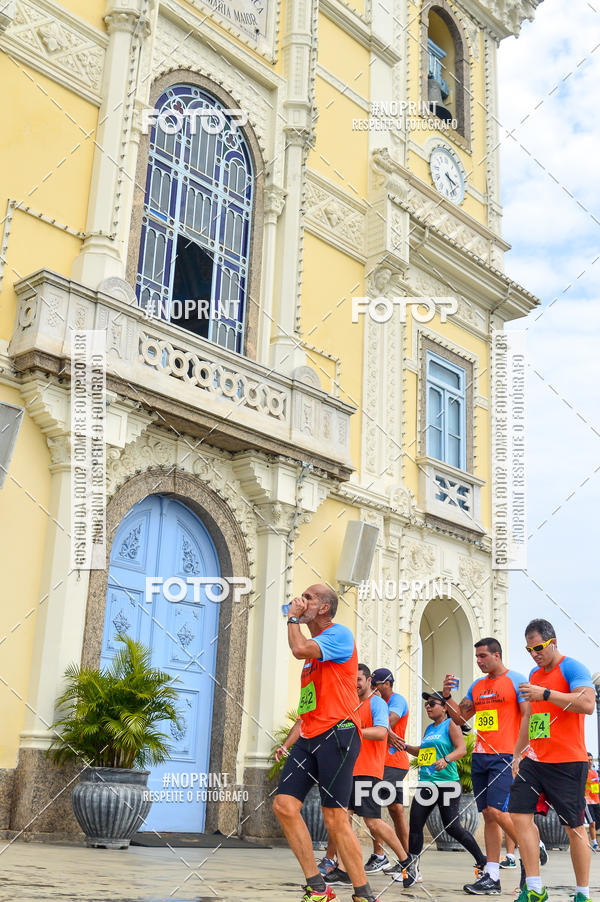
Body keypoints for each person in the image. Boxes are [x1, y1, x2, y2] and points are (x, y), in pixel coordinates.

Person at [273, 585, 379, 902]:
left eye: (308, 597)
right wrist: (291, 742)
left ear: (322, 608)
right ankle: (318, 887)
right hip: (309, 737)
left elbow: (299, 648)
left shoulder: (339, 635)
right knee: (284, 805)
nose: (300, 600)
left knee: (334, 817)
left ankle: (363, 893)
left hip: (339, 733)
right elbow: (307, 707)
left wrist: (292, 618)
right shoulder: (311, 659)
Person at [443, 637, 545, 895]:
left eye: (483, 656)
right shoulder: (477, 686)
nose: (478, 661)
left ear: (497, 655)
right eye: (476, 657)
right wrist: (446, 697)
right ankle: (491, 876)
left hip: (505, 755)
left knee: (497, 811)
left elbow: (529, 716)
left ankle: (530, 852)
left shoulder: (516, 679)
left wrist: (521, 753)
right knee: (488, 815)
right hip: (480, 755)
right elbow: (459, 719)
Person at [508, 618, 596, 902]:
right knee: (518, 815)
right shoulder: (534, 674)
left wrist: (546, 693)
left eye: (539, 648)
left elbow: (587, 704)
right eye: (529, 649)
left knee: (574, 828)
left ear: (553, 642)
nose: (534, 654)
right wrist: (518, 752)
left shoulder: (572, 667)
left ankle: (582, 893)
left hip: (569, 762)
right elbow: (532, 718)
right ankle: (534, 888)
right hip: (536, 760)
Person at [323, 664, 411, 887]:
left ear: (369, 680)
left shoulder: (378, 703)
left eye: (359, 679)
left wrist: (356, 732)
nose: (355, 683)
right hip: (349, 771)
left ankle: (406, 862)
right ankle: (343, 870)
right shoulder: (351, 704)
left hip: (368, 771)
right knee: (342, 819)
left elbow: (382, 732)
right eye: (352, 679)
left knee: (372, 822)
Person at [400, 691, 486, 887]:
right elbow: (423, 752)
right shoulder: (429, 729)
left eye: (432, 703)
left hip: (447, 784)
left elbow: (461, 749)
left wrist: (446, 759)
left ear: (445, 707)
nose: (428, 707)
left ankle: (482, 860)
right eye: (426, 705)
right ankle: (413, 868)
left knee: (452, 827)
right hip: (427, 784)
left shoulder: (451, 725)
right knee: (415, 824)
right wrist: (404, 746)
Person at [367, 667, 410, 871]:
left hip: (392, 762)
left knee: (372, 807)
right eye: (372, 684)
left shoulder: (396, 700)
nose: (374, 688)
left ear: (387, 684)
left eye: (376, 685)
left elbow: (386, 722)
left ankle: (380, 855)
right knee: (396, 810)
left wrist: (386, 729)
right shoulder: (375, 702)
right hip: (380, 761)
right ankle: (408, 859)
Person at [584, 752, 600, 851]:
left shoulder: (594, 772)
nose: (590, 762)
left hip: (596, 800)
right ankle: (594, 844)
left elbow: (596, 787)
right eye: (588, 760)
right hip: (586, 801)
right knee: (592, 822)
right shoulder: (582, 772)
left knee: (596, 823)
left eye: (591, 760)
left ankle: (590, 838)